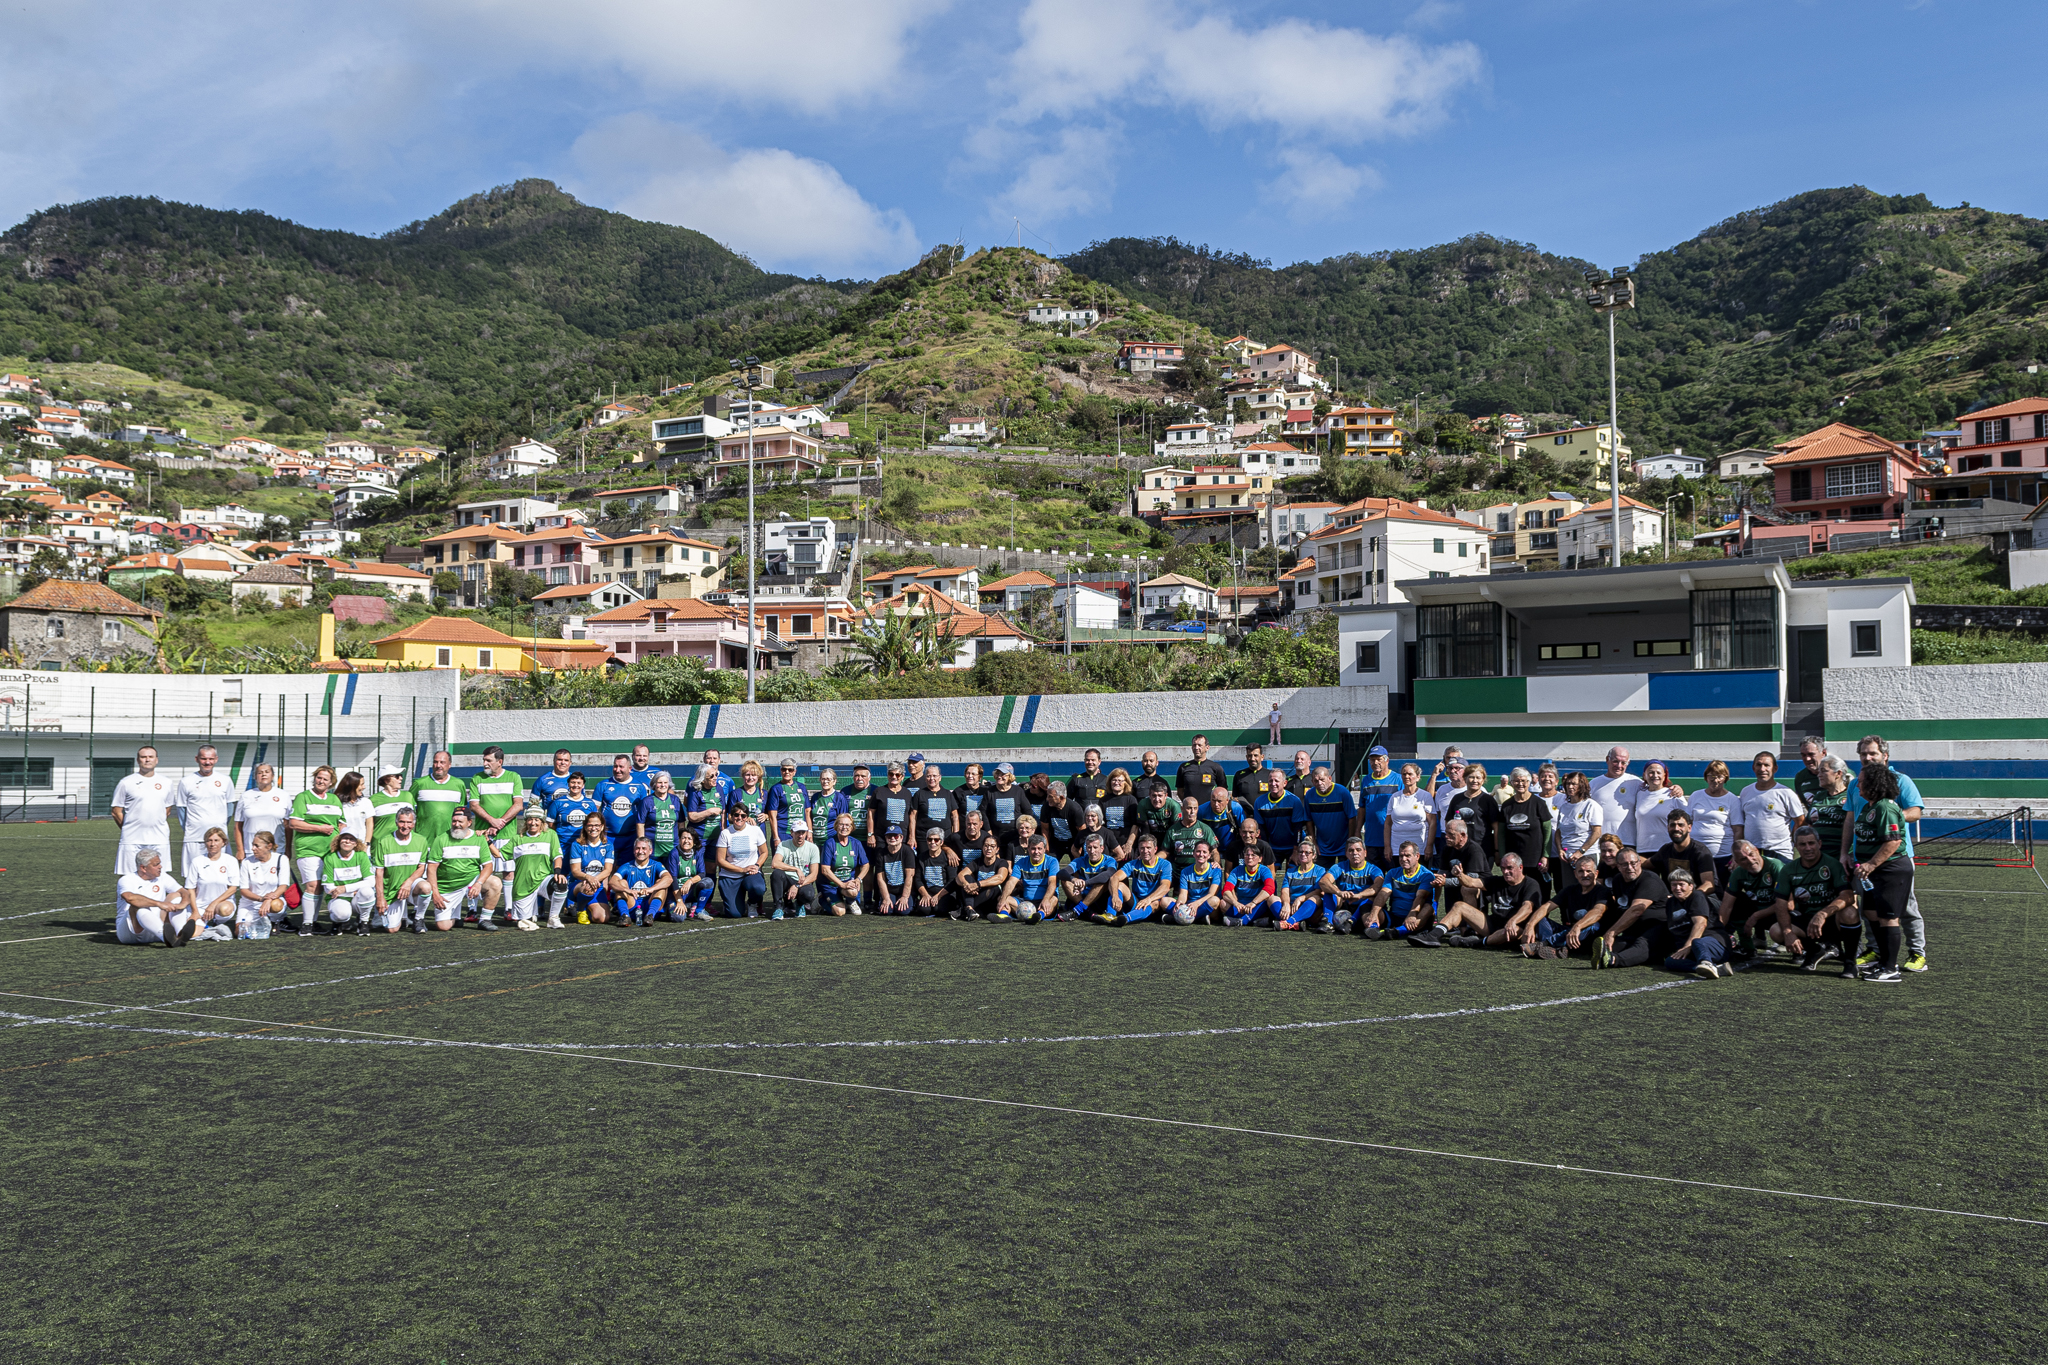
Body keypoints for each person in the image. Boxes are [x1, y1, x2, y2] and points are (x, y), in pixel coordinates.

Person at [1849, 734, 1927, 974]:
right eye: (1863, 753)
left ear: (1885, 755)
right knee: (1871, 908)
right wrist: (1846, 852)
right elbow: (1849, 818)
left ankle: (1917, 952)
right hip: (1865, 860)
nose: (1867, 757)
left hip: (1890, 858)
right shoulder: (1856, 782)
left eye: (1872, 753)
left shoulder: (1900, 781)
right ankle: (1877, 951)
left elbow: (1916, 811)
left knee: (1904, 908)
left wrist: (1889, 817)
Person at [1848, 764, 1912, 983]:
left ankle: (1891, 968)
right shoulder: (1868, 807)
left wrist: (1872, 864)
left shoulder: (1885, 808)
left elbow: (1893, 842)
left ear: (1875, 783)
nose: (1858, 784)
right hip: (1874, 871)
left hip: (1891, 870)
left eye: (1862, 780)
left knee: (1888, 917)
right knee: (1872, 913)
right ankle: (1883, 962)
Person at [1776, 824, 1855, 970]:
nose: (1807, 848)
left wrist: (1823, 914)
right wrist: (1788, 932)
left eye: (1811, 843)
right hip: (1805, 919)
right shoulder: (1788, 870)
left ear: (1819, 843)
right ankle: (1815, 951)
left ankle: (1850, 962)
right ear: (1796, 846)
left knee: (1850, 912)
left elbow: (1848, 896)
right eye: (1802, 844)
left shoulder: (1833, 864)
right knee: (1777, 931)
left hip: (1830, 918)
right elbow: (1780, 903)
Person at [1588, 847, 1669, 969]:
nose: (1630, 868)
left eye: (1633, 863)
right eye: (1625, 864)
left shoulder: (1650, 880)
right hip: (1634, 929)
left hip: (1657, 926)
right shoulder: (1617, 880)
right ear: (1618, 866)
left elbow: (1636, 910)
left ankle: (1613, 960)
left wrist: (1611, 932)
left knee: (1641, 944)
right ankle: (1653, 956)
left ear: (1639, 863)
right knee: (1611, 946)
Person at [425, 808, 502, 932]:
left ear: (469, 823)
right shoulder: (441, 839)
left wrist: (479, 883)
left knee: (495, 882)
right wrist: (436, 893)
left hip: (472, 882)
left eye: (460, 821)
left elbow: (488, 866)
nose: (456, 824)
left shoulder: (479, 839)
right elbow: (432, 868)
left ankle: (485, 919)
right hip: (448, 887)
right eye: (454, 821)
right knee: (443, 927)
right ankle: (456, 916)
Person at [110, 746, 176, 879]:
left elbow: (167, 809)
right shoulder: (126, 782)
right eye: (143, 757)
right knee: (129, 877)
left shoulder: (166, 783)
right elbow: (116, 811)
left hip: (159, 838)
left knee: (159, 876)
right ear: (138, 760)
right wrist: (129, 828)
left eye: (150, 757)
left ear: (156, 760)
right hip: (132, 839)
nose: (147, 760)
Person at [1656, 866, 1732, 979]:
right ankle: (1717, 968)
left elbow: (1701, 924)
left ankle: (1706, 962)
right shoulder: (1670, 903)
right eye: (1674, 884)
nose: (1677, 888)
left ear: (1691, 886)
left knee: (1697, 942)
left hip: (1712, 943)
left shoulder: (1697, 896)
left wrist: (1688, 946)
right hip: (1691, 949)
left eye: (1681, 884)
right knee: (1670, 962)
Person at [494, 809, 562, 932]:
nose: (533, 822)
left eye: (536, 819)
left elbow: (557, 856)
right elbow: (498, 854)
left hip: (543, 879)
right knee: (525, 925)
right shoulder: (517, 839)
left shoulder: (550, 835)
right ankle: (531, 914)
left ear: (542, 822)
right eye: (530, 819)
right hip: (523, 886)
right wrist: (486, 841)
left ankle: (553, 917)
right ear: (526, 822)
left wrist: (557, 873)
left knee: (561, 884)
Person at [174, 745, 239, 874]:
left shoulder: (225, 780)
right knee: (192, 876)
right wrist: (190, 828)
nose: (207, 762)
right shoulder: (186, 781)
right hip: (194, 837)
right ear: (197, 759)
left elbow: (230, 807)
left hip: (219, 838)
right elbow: (182, 810)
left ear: (216, 759)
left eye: (210, 759)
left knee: (220, 875)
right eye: (203, 759)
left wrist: (219, 828)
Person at [1720, 839, 1789, 960]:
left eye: (1751, 854)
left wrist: (1756, 916)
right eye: (1743, 859)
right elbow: (1726, 906)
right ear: (1737, 862)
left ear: (1757, 850)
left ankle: (1803, 949)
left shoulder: (1775, 866)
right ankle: (1748, 948)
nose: (1750, 860)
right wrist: (1717, 931)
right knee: (1737, 901)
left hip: (1782, 913)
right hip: (1761, 912)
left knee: (1777, 931)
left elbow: (1786, 902)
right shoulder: (1738, 873)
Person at [286, 766, 344, 908]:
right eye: (319, 777)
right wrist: (320, 828)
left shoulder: (334, 799)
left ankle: (325, 920)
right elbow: (293, 823)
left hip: (331, 852)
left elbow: (341, 823)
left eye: (325, 779)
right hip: (309, 850)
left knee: (330, 886)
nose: (321, 781)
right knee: (313, 885)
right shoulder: (303, 797)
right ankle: (308, 924)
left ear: (331, 783)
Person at [373, 805, 435, 933]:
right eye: (402, 821)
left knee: (426, 887)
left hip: (411, 886)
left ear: (414, 823)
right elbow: (379, 872)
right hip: (392, 889)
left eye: (409, 822)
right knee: (392, 929)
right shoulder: (383, 842)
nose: (405, 826)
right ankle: (402, 914)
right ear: (396, 822)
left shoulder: (421, 840)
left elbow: (421, 867)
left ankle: (419, 918)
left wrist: (408, 883)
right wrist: (380, 898)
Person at [115, 848, 194, 947]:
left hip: (156, 927)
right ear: (143, 868)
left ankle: (179, 935)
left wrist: (183, 904)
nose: (160, 867)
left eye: (159, 863)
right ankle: (166, 937)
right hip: (131, 933)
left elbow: (184, 892)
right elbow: (130, 898)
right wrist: (159, 904)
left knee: (176, 896)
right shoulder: (127, 880)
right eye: (156, 865)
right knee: (137, 906)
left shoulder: (162, 876)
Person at [1735, 751, 1805, 860]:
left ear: (1775, 769)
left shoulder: (1786, 793)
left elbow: (1800, 821)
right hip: (1752, 853)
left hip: (1780, 852)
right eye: (1759, 765)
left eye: (1767, 765)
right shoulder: (1745, 792)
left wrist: (1792, 841)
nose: (1762, 769)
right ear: (1753, 768)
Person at [1471, 854, 1548, 952]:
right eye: (1503, 868)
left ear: (1520, 867)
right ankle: (1466, 934)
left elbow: (1528, 907)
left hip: (1517, 929)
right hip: (1494, 925)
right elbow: (1472, 882)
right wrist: (1459, 875)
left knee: (1512, 930)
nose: (1505, 872)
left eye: (1509, 868)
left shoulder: (1531, 884)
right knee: (1459, 905)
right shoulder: (1498, 880)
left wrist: (1514, 921)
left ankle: (1477, 942)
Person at [1494, 767, 1550, 894]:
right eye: (1516, 781)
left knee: (1539, 892)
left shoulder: (1538, 803)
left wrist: (1545, 856)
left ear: (1529, 782)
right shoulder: (1507, 805)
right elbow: (1501, 834)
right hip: (1513, 860)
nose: (1520, 784)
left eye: (1524, 781)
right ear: (1512, 783)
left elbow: (1547, 831)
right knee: (1516, 892)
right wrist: (1502, 856)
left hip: (1535, 859)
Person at [1682, 762, 1738, 885]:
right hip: (1697, 855)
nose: (1715, 780)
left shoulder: (1732, 799)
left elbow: (1737, 829)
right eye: (1711, 776)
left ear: (1725, 778)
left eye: (1719, 776)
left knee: (1721, 892)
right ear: (1706, 777)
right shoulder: (1696, 796)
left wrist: (1736, 856)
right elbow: (1687, 823)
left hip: (1723, 855)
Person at [1364, 842, 1434, 941]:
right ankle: (1373, 928)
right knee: (1371, 907)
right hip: (1394, 916)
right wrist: (1374, 914)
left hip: (1415, 917)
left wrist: (1411, 915)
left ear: (1417, 856)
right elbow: (1383, 894)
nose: (1403, 859)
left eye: (1407, 856)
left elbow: (1420, 897)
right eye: (1401, 856)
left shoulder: (1426, 875)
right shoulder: (1393, 873)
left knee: (1428, 908)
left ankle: (1399, 931)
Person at [184, 826, 243, 941]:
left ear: (223, 843)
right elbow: (190, 889)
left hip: (220, 904)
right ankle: (210, 929)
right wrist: (195, 911)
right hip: (200, 905)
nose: (212, 844)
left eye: (216, 840)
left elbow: (233, 888)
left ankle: (217, 922)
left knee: (225, 909)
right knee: (192, 934)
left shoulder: (230, 861)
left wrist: (213, 904)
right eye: (209, 840)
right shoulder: (197, 861)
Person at [1437, 763, 1498, 873]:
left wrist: (1497, 850)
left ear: (1483, 780)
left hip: (1482, 848)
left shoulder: (1488, 800)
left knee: (1479, 883)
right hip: (1459, 849)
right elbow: (1448, 822)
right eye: (1471, 777)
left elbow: (1496, 827)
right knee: (1457, 881)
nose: (1475, 781)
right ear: (1465, 778)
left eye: (1478, 778)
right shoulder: (1457, 799)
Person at [1105, 833, 1177, 926]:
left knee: (1156, 902)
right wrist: (1115, 896)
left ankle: (1125, 919)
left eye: (1148, 848)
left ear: (1155, 849)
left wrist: (1148, 899)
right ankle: (1110, 915)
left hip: (1154, 905)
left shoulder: (1165, 864)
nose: (1145, 851)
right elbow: (1114, 877)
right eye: (1142, 848)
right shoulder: (1133, 864)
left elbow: (1165, 887)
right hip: (1137, 901)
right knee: (1119, 885)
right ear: (1138, 849)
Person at [316, 830, 377, 938]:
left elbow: (371, 881)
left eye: (351, 839)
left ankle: (363, 922)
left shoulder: (361, 856)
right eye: (345, 838)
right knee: (341, 914)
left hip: (354, 896)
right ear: (339, 841)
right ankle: (337, 922)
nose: (347, 841)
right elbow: (328, 888)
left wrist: (345, 888)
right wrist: (351, 893)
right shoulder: (330, 858)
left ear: (356, 843)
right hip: (338, 898)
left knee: (368, 892)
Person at [1550, 771, 1602, 893]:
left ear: (1582, 785)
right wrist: (1560, 850)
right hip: (1567, 857)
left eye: (1574, 784)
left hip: (1587, 855)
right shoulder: (1564, 807)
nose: (1570, 787)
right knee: (1570, 891)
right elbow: (1558, 831)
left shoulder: (1591, 805)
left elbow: (1596, 832)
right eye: (1568, 784)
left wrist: (1581, 851)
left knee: (1589, 891)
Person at [1647, 809, 1718, 898]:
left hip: (1701, 899)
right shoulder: (1666, 850)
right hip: (1674, 900)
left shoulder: (1700, 851)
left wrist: (1687, 897)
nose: (1676, 829)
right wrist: (1626, 853)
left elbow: (1709, 885)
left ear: (1689, 827)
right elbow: (1644, 863)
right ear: (1668, 828)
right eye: (1672, 825)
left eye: (1681, 825)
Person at [714, 804, 770, 918]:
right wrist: (741, 869)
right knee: (734, 914)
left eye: (743, 816)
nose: (739, 818)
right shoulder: (725, 833)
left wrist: (757, 865)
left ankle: (752, 903)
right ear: (731, 816)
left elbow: (764, 852)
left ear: (747, 817)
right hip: (730, 875)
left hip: (750, 873)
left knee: (758, 887)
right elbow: (719, 860)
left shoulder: (755, 830)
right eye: (736, 815)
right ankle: (730, 902)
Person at [235, 830, 294, 938]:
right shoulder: (246, 862)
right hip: (251, 903)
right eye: (253, 845)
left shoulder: (281, 859)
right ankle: (259, 922)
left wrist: (268, 900)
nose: (253, 848)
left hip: (272, 902)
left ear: (269, 846)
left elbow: (283, 886)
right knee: (239, 932)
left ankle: (275, 921)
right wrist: (261, 899)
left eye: (257, 846)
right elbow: (244, 890)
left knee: (276, 905)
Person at [634, 771, 687, 882]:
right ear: (654, 784)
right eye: (659, 782)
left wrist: (681, 842)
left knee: (672, 877)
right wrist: (643, 845)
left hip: (671, 848)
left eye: (665, 782)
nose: (662, 785)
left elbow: (681, 822)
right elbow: (640, 824)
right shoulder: (646, 802)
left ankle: (671, 899)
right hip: (653, 849)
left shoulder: (675, 800)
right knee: (652, 877)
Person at [1300, 765, 1358, 867]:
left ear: (1329, 778)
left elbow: (1352, 818)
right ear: (1312, 782)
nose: (1319, 783)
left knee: (1344, 878)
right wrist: (1314, 841)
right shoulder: (1309, 795)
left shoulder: (1342, 792)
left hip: (1343, 845)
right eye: (1316, 781)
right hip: (1322, 847)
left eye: (1322, 779)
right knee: (1321, 878)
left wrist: (1350, 842)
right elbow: (1308, 820)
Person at [563, 814, 615, 925]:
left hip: (597, 885)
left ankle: (588, 906)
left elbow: (608, 870)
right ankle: (580, 909)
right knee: (587, 886)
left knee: (602, 918)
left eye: (597, 825)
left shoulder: (608, 845)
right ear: (585, 827)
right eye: (590, 825)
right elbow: (575, 871)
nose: (593, 828)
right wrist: (588, 878)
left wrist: (594, 880)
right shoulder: (577, 845)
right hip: (579, 884)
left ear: (601, 827)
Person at [1557, 854, 1613, 959]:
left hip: (1591, 935)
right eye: (1581, 871)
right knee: (1540, 921)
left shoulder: (1603, 891)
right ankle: (1560, 947)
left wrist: (1577, 927)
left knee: (1593, 926)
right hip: (1571, 933)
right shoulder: (1570, 889)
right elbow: (1546, 906)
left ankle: (1548, 944)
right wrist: (1530, 925)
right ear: (1575, 874)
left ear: (1596, 874)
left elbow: (1598, 912)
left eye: (1589, 871)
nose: (1585, 875)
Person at [608, 837, 672, 926]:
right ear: (634, 850)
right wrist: (628, 890)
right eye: (637, 848)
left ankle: (650, 916)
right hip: (633, 906)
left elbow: (669, 879)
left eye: (644, 848)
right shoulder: (627, 866)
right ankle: (625, 916)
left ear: (650, 851)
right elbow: (612, 882)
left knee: (661, 883)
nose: (640, 851)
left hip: (649, 904)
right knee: (621, 883)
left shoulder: (656, 864)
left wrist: (651, 889)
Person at [1275, 837, 1336, 931]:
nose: (1303, 854)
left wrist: (1301, 898)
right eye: (1301, 852)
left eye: (1307, 852)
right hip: (1291, 908)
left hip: (1309, 908)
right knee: (1272, 898)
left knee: (1316, 898)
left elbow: (1318, 892)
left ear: (1314, 855)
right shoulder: (1290, 872)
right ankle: (1296, 923)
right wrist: (1286, 904)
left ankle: (1289, 922)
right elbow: (1285, 891)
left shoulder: (1320, 871)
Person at [1588, 747, 1644, 849]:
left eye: (1623, 763)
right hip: (1601, 843)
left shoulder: (1636, 783)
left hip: (1628, 842)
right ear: (1607, 760)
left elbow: (1655, 793)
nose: (1619, 766)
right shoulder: (1594, 784)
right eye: (1615, 761)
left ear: (1628, 763)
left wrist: (1675, 788)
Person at [237, 763, 291, 865]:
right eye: (260, 772)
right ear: (255, 777)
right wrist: (240, 850)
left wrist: (288, 849)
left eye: (267, 772)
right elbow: (238, 826)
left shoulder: (284, 795)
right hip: (251, 850)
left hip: (277, 849)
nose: (263, 775)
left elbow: (288, 826)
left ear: (273, 776)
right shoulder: (246, 796)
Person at [410, 750, 468, 844]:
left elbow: (461, 812)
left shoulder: (459, 784)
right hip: (424, 841)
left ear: (449, 765)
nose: (438, 765)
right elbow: (409, 811)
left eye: (442, 762)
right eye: (435, 762)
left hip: (450, 841)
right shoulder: (419, 784)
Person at [595, 754, 643, 870]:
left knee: (625, 871)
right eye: (615, 766)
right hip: (607, 837)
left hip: (630, 837)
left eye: (621, 767)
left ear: (630, 768)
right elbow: (594, 812)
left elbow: (643, 814)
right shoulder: (603, 785)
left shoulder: (639, 787)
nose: (617, 770)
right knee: (604, 869)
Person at [1357, 746, 1401, 869]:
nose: (1375, 762)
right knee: (1374, 876)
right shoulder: (1366, 780)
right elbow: (1362, 808)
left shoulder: (1397, 779)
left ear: (1387, 760)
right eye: (1372, 760)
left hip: (1393, 839)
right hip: (1371, 838)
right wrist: (1358, 830)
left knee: (1393, 875)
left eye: (1379, 759)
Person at [998, 836, 1061, 923]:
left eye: (1039, 848)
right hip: (1026, 902)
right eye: (1033, 849)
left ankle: (1038, 916)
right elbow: (1011, 882)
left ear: (1044, 849)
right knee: (1004, 898)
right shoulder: (1021, 863)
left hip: (1045, 900)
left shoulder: (1052, 861)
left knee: (1054, 899)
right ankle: (1003, 916)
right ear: (1028, 849)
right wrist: (1003, 899)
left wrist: (1046, 900)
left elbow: (1052, 883)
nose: (1036, 852)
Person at [1063, 831, 1121, 922]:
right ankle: (1088, 912)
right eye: (1089, 847)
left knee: (1102, 882)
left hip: (1099, 896)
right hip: (1082, 895)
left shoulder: (1109, 860)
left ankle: (1077, 910)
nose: (1092, 851)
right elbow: (1062, 873)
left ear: (1102, 848)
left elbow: (1109, 874)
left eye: (1095, 847)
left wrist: (1085, 883)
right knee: (1065, 880)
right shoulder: (1080, 860)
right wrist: (1073, 879)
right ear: (1085, 848)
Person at [1383, 763, 1435, 862]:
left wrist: (1429, 845)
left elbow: (1432, 823)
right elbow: (1388, 824)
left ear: (1418, 777)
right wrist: (1387, 846)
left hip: (1420, 847)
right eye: (1404, 774)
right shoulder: (1394, 797)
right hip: (1397, 848)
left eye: (1410, 774)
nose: (1407, 776)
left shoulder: (1425, 796)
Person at [818, 811, 868, 915]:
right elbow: (825, 869)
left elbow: (866, 865)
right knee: (840, 912)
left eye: (847, 825)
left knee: (853, 891)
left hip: (848, 882)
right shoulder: (829, 843)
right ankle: (821, 900)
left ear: (852, 827)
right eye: (841, 824)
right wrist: (841, 884)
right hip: (831, 884)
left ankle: (850, 901)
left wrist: (858, 880)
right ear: (836, 826)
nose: (844, 827)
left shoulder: (856, 843)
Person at [1221, 844, 1279, 927]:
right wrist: (1235, 903)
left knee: (1273, 898)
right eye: (1247, 855)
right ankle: (1255, 921)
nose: (1249, 857)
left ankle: (1242, 921)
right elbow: (1226, 890)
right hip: (1241, 906)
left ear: (1260, 859)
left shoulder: (1264, 870)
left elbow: (1270, 888)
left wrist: (1253, 903)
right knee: (1223, 903)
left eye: (1253, 855)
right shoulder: (1236, 870)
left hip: (1258, 905)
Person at [1250, 769, 1308, 853]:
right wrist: (1266, 849)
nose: (1273, 784)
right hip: (1272, 847)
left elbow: (1298, 828)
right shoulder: (1259, 802)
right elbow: (1261, 830)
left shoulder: (1294, 801)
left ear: (1285, 783)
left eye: (1276, 781)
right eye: (1270, 781)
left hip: (1293, 847)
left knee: (1294, 866)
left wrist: (1296, 850)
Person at [1630, 762, 1686, 847]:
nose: (1655, 775)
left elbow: (1688, 819)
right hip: (1643, 848)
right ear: (1644, 775)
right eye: (1651, 772)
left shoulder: (1673, 794)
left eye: (1658, 772)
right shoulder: (1639, 794)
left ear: (1664, 775)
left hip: (1667, 848)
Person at [911, 824, 960, 918]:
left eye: (936, 840)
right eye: (930, 839)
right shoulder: (921, 858)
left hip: (944, 893)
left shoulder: (948, 858)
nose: (932, 842)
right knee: (923, 910)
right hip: (928, 892)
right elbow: (918, 879)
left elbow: (952, 881)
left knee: (939, 909)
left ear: (941, 842)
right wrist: (925, 895)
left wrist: (938, 896)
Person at [962, 833, 1011, 920]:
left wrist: (977, 884)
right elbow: (960, 875)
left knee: (994, 887)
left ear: (997, 849)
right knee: (966, 877)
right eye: (986, 845)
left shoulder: (1002, 863)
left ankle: (964, 910)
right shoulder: (977, 862)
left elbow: (1000, 878)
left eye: (992, 846)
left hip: (993, 900)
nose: (988, 849)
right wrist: (967, 885)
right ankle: (970, 909)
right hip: (977, 896)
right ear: (982, 847)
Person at [549, 771, 602, 851]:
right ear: (568, 784)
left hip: (584, 844)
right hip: (563, 844)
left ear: (583, 785)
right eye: (573, 782)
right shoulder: (558, 802)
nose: (575, 785)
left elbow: (596, 822)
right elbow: (550, 824)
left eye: (578, 783)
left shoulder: (590, 804)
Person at [1177, 841, 1227, 925]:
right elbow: (1183, 894)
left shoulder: (1216, 870)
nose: (1201, 854)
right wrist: (1180, 902)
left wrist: (1197, 904)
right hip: (1190, 905)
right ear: (1193, 854)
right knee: (1165, 901)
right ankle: (1199, 918)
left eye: (1204, 852)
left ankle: (1182, 918)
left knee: (1215, 900)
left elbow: (1212, 894)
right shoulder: (1185, 871)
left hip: (1207, 904)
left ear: (1209, 855)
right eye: (1198, 851)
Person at [670, 828, 714, 921]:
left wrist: (690, 881)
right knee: (677, 918)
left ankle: (699, 910)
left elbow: (702, 873)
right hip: (677, 892)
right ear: (679, 840)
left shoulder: (697, 853)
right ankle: (688, 905)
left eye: (689, 838)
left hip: (691, 890)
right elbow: (672, 879)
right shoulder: (674, 853)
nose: (686, 841)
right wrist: (679, 901)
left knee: (708, 882)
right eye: (683, 838)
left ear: (694, 842)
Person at [869, 825, 914, 916]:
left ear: (901, 838)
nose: (892, 838)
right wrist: (886, 897)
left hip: (903, 889)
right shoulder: (881, 854)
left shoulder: (907, 851)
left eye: (896, 836)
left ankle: (912, 902)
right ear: (886, 838)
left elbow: (910, 876)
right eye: (889, 836)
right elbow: (880, 878)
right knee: (887, 911)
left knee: (903, 911)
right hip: (890, 890)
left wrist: (905, 897)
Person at [1164, 796, 1217, 873]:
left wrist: (1216, 862)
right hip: (1177, 872)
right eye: (1189, 808)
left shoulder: (1205, 829)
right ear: (1182, 808)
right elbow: (1165, 852)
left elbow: (1214, 851)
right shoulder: (1173, 829)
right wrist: (1153, 858)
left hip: (1198, 873)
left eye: (1195, 808)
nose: (1192, 812)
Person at [1097, 768, 1139, 860]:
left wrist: (1129, 844)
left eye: (1120, 780)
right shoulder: (1103, 800)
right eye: (1114, 780)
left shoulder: (1131, 800)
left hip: (1125, 843)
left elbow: (1135, 825)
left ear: (1126, 783)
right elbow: (1100, 824)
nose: (1116, 783)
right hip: (1108, 843)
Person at [765, 759, 809, 844]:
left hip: (800, 832)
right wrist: (775, 837)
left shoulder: (802, 787)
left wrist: (809, 831)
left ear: (794, 771)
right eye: (784, 769)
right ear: (781, 771)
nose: (787, 772)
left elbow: (807, 811)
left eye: (790, 769)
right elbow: (772, 816)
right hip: (783, 832)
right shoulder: (776, 789)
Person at [1175, 734, 1228, 803]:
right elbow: (1180, 792)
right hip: (1191, 811)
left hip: (1209, 810)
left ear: (1207, 747)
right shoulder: (1183, 767)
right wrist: (1189, 804)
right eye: (1194, 745)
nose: (1196, 748)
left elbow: (1223, 791)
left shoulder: (1216, 767)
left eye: (1200, 745)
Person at [368, 766, 415, 843]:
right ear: (386, 780)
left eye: (401, 776)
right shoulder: (373, 799)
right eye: (397, 776)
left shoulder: (408, 796)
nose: (401, 778)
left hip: (405, 844)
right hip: (380, 845)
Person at [912, 763, 954, 845]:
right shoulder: (919, 794)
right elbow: (913, 816)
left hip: (945, 837)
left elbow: (954, 816)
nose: (931, 778)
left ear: (940, 777)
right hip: (924, 837)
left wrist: (955, 835)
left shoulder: (948, 794)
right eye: (928, 776)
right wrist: (912, 837)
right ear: (925, 778)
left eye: (934, 776)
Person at [1133, 781, 1178, 853]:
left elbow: (1175, 829)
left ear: (1166, 795)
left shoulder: (1174, 806)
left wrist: (1165, 848)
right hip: (1151, 834)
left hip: (1168, 835)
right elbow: (1145, 829)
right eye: (1154, 796)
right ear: (1149, 795)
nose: (1157, 799)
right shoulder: (1143, 804)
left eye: (1160, 796)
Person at [807, 768, 849, 841]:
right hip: (815, 839)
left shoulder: (839, 798)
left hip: (831, 840)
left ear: (834, 781)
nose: (825, 781)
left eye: (828, 779)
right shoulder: (815, 797)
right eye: (823, 779)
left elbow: (843, 820)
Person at [984, 762, 1024, 840]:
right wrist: (988, 831)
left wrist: (1023, 830)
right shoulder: (990, 792)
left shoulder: (1018, 791)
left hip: (1015, 835)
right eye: (997, 773)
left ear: (1010, 776)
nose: (999, 776)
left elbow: (1027, 811)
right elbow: (983, 812)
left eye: (1003, 774)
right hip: (995, 835)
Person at [686, 763, 727, 838]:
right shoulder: (695, 791)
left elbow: (723, 812)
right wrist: (709, 812)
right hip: (700, 836)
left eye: (716, 774)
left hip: (716, 836)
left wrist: (723, 831)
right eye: (711, 776)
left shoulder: (719, 788)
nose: (715, 778)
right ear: (703, 780)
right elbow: (692, 816)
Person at [531, 748, 577, 813]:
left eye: (566, 760)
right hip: (549, 821)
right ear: (554, 761)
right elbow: (532, 805)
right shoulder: (542, 780)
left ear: (570, 763)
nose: (563, 763)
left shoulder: (576, 780)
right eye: (559, 760)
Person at [334, 770, 373, 848]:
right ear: (352, 786)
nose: (364, 787)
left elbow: (369, 824)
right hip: (343, 847)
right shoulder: (337, 803)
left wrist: (366, 844)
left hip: (362, 847)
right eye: (361, 784)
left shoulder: (366, 802)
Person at [1039, 783, 1078, 860]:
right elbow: (1045, 830)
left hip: (1073, 841)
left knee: (1077, 867)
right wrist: (1046, 849)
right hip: (1055, 842)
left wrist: (1077, 848)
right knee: (1049, 864)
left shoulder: (1074, 809)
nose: (1047, 799)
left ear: (1061, 797)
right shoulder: (1046, 807)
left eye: (1050, 796)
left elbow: (1082, 831)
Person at [1792, 736, 1828, 807]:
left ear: (1823, 753)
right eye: (1803, 755)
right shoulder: (1800, 777)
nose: (1807, 759)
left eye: (1811, 754)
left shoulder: (1839, 773)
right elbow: (1803, 804)